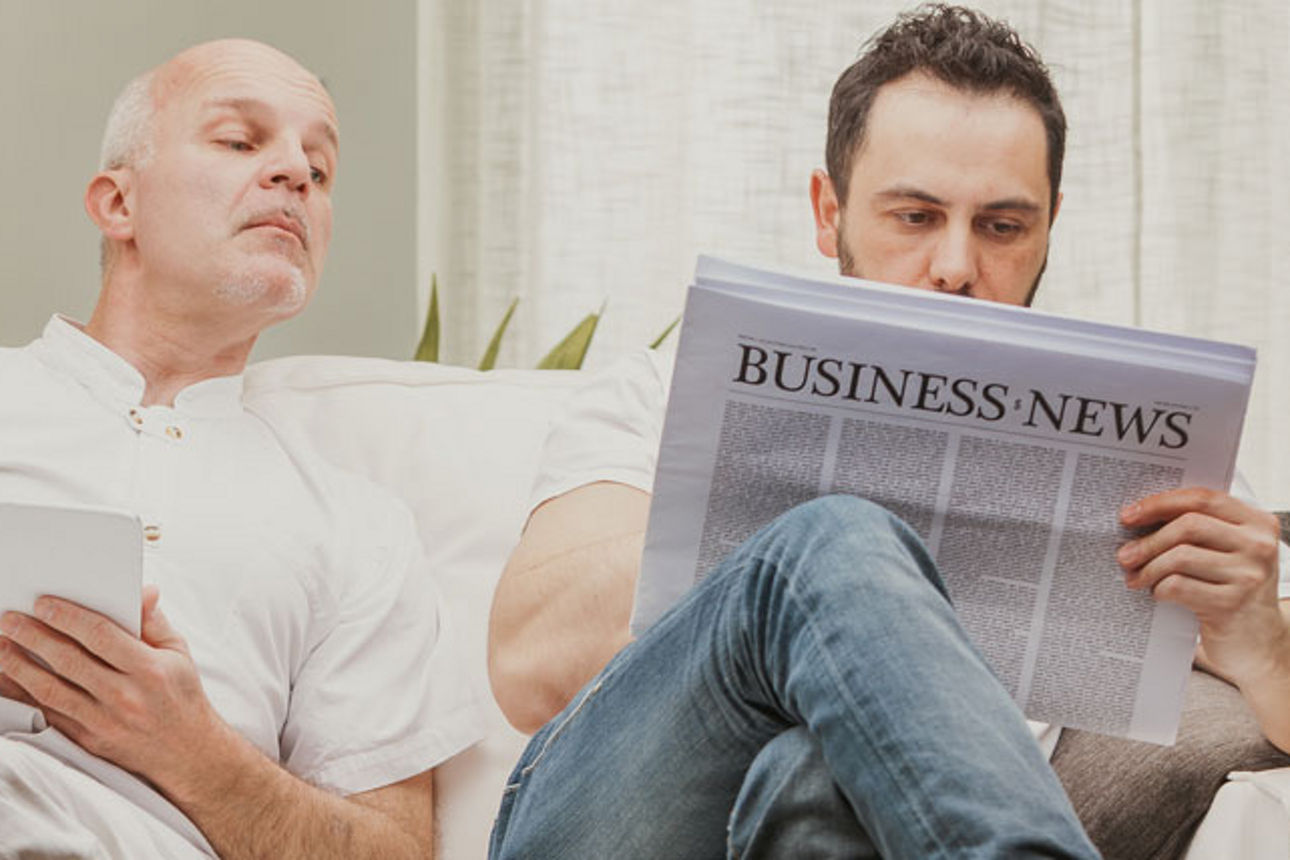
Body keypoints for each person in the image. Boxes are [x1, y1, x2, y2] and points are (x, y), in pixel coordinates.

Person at [487, 5, 1289, 858]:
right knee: (834, 533)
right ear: (827, 210)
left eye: (1002, 226)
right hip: (611, 823)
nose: (954, 266)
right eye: (914, 216)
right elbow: (527, 667)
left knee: (819, 775)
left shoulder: (1142, 456)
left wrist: (1260, 641)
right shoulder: (658, 393)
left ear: (1051, 222)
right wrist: (803, 540)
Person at [0, 39, 479, 859]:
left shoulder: (357, 530)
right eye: (240, 141)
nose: (295, 172)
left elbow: (393, 850)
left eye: (320, 170)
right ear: (119, 203)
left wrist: (192, 751)